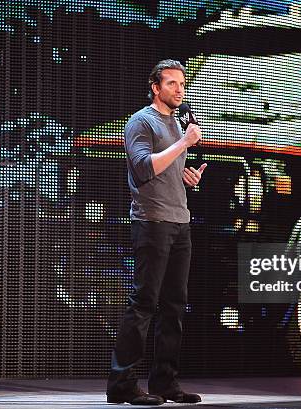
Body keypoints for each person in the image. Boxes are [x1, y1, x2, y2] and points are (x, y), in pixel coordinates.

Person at [106, 59, 207, 405]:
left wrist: (185, 175)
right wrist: (184, 145)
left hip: (180, 222)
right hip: (152, 222)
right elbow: (145, 167)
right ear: (155, 87)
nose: (180, 89)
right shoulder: (141, 121)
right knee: (144, 303)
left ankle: (164, 382)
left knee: (174, 306)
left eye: (182, 84)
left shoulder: (177, 125)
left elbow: (166, 169)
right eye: (172, 84)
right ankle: (121, 384)